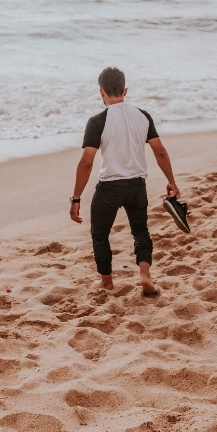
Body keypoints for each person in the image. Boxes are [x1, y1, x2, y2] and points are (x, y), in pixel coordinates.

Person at [69, 67, 179, 296]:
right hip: (137, 185)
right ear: (125, 90)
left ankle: (107, 282)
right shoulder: (143, 116)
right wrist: (172, 182)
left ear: (101, 92)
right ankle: (145, 275)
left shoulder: (97, 121)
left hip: (109, 188)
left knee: (100, 235)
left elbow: (87, 163)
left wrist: (76, 197)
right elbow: (160, 152)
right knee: (140, 231)